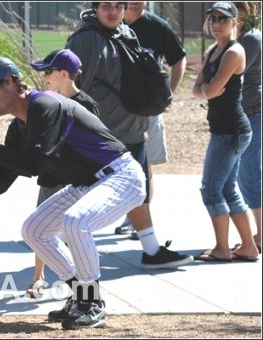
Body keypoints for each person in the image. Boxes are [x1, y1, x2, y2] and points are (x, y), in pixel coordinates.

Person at [0, 56, 147, 329]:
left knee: (76, 222)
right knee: (34, 230)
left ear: (9, 82)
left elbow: (33, 163)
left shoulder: (45, 104)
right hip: (87, 183)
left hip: (122, 176)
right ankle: (80, 294)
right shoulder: (19, 126)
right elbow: (0, 183)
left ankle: (92, 302)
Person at [65, 1, 193, 269]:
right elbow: (72, 91)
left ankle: (151, 250)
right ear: (96, 8)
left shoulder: (125, 33)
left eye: (118, 6)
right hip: (104, 137)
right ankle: (65, 253)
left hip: (133, 130)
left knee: (137, 192)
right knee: (76, 191)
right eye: (106, 6)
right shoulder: (86, 40)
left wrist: (140, 124)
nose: (113, 11)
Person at [25, 48, 100, 298]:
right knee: (40, 228)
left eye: (48, 71)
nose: (44, 75)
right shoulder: (49, 100)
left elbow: (93, 146)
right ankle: (38, 277)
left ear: (64, 74)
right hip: (51, 177)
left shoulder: (86, 105)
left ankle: (80, 287)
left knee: (74, 235)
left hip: (75, 183)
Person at [192, 1, 259, 262]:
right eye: (213, 18)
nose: (217, 23)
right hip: (223, 129)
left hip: (232, 130)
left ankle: (222, 249)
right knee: (228, 189)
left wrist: (205, 89)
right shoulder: (213, 50)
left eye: (223, 19)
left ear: (234, 22)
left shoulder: (234, 52)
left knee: (211, 190)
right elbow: (199, 88)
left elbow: (209, 90)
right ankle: (248, 247)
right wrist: (205, 89)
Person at [115, 1, 187, 240]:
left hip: (148, 108)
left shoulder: (158, 26)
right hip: (118, 109)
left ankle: (138, 221)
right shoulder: (113, 21)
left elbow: (178, 59)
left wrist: (168, 95)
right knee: (119, 164)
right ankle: (126, 214)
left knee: (145, 165)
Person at [233, 1, 261, 254]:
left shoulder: (250, 39)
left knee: (250, 175)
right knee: (246, 175)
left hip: (252, 112)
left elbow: (233, 73)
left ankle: (261, 236)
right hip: (246, 112)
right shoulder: (244, 37)